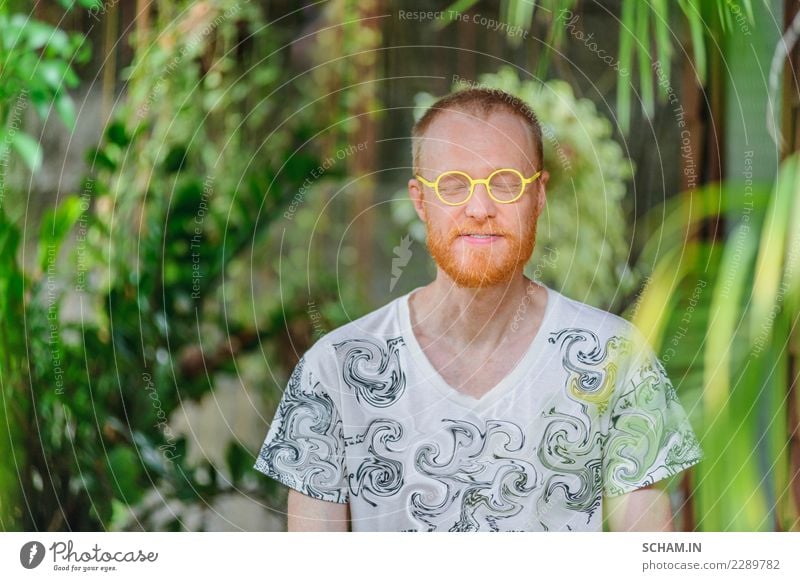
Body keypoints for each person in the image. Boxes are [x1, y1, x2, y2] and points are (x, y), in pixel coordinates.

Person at [253, 87, 703, 532]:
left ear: (539, 197)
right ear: (420, 200)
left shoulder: (613, 357)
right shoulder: (335, 371)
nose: (480, 207)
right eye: (452, 185)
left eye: (505, 183)